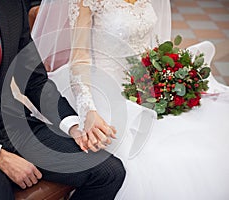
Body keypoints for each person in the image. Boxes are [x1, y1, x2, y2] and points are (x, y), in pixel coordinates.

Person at [0, 0, 126, 199]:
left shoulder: (11, 5)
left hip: (15, 128)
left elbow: (34, 80)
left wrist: (73, 125)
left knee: (109, 172)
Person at [32, 0, 229, 199]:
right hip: (105, 88)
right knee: (154, 160)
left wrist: (165, 77)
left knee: (200, 142)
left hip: (146, 85)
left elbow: (152, 45)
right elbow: (80, 57)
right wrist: (87, 108)